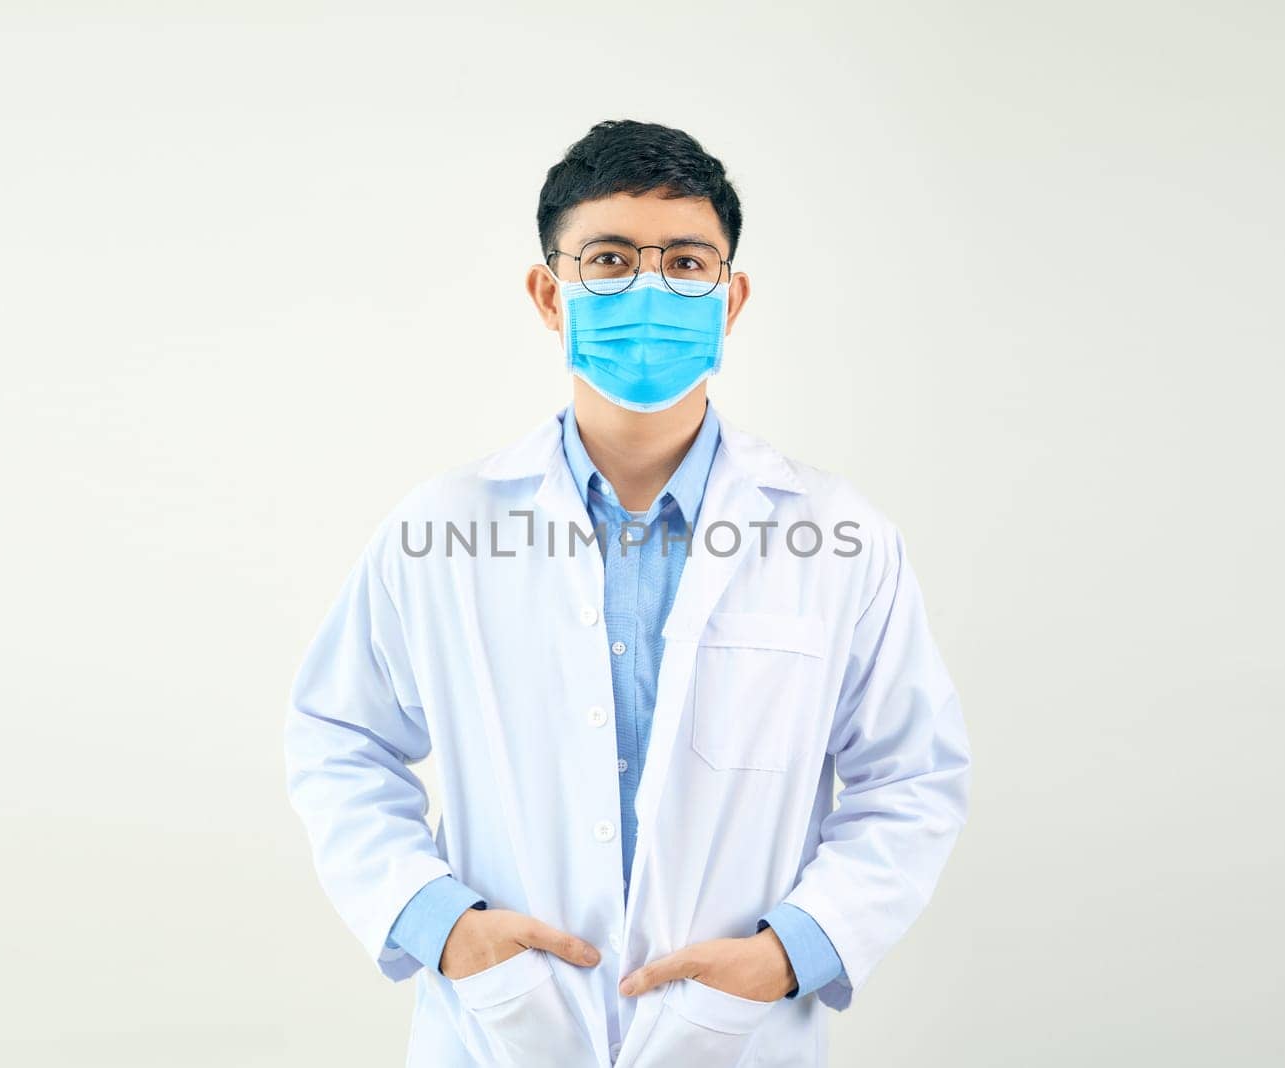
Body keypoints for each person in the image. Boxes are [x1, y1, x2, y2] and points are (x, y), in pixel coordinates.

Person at [285, 119, 972, 1067]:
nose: (650, 290)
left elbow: (913, 775)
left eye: (687, 262)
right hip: (501, 1031)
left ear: (730, 299)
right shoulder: (442, 527)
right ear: (547, 292)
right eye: (609, 260)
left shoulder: (839, 536)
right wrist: (441, 925)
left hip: (741, 1037)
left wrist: (791, 954)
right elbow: (339, 738)